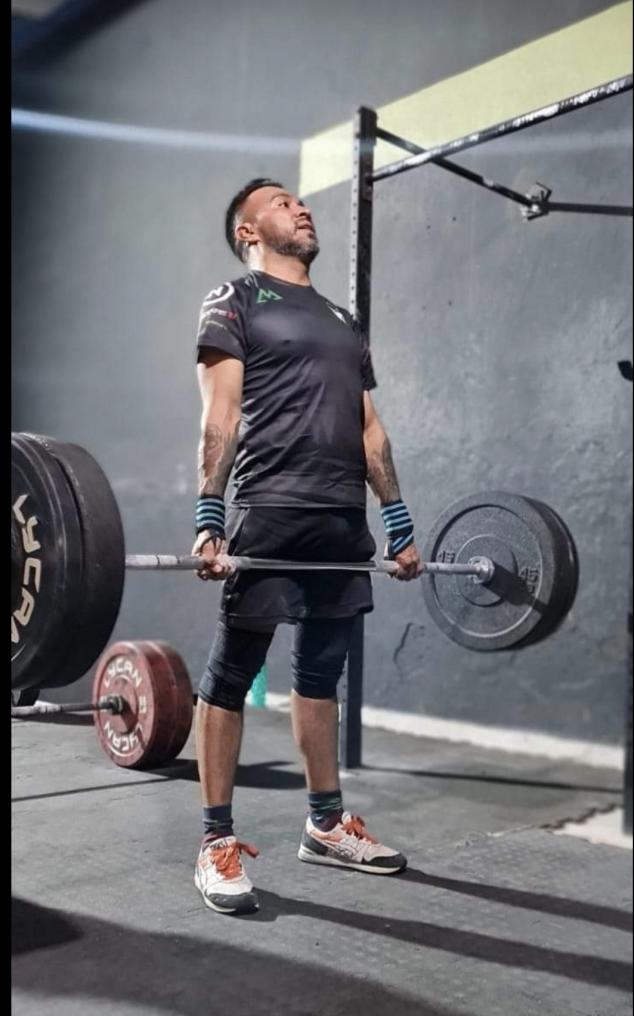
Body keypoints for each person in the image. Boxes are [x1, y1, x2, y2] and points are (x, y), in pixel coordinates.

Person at [192, 178, 422, 915]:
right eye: (279, 202)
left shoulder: (342, 319)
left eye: (299, 199)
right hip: (270, 509)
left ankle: (325, 825)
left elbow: (369, 426)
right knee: (231, 677)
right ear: (247, 230)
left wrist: (397, 517)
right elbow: (221, 412)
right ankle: (215, 841)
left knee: (321, 677)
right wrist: (210, 512)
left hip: (340, 520)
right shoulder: (234, 299)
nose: (300, 206)